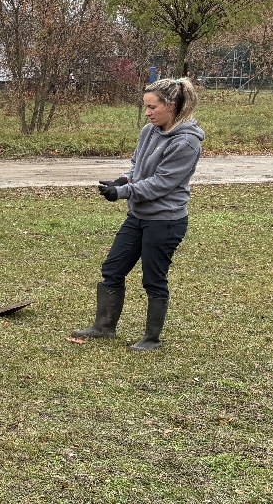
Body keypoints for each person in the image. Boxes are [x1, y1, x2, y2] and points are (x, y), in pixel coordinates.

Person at [71, 78, 204, 351]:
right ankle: (104, 327)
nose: (148, 112)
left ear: (172, 106)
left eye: (152, 107)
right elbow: (137, 166)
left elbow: (161, 183)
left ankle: (151, 339)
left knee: (153, 280)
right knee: (112, 269)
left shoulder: (187, 143)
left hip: (166, 221)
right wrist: (121, 180)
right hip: (139, 216)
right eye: (146, 107)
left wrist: (123, 193)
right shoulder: (149, 131)